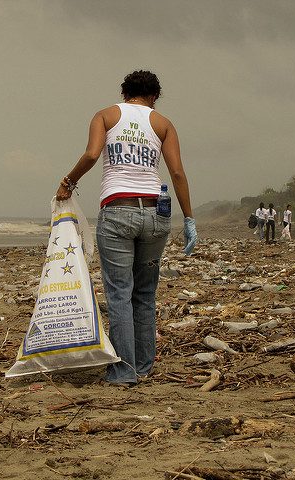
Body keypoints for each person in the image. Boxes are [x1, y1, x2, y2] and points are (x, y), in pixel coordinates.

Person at [55, 70, 197, 386]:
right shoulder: (163, 124)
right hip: (156, 214)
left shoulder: (105, 116)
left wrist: (68, 182)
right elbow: (176, 173)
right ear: (154, 97)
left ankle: (123, 371)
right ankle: (143, 367)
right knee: (145, 293)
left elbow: (92, 154)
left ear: (124, 94)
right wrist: (188, 219)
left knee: (120, 293)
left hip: (118, 212)